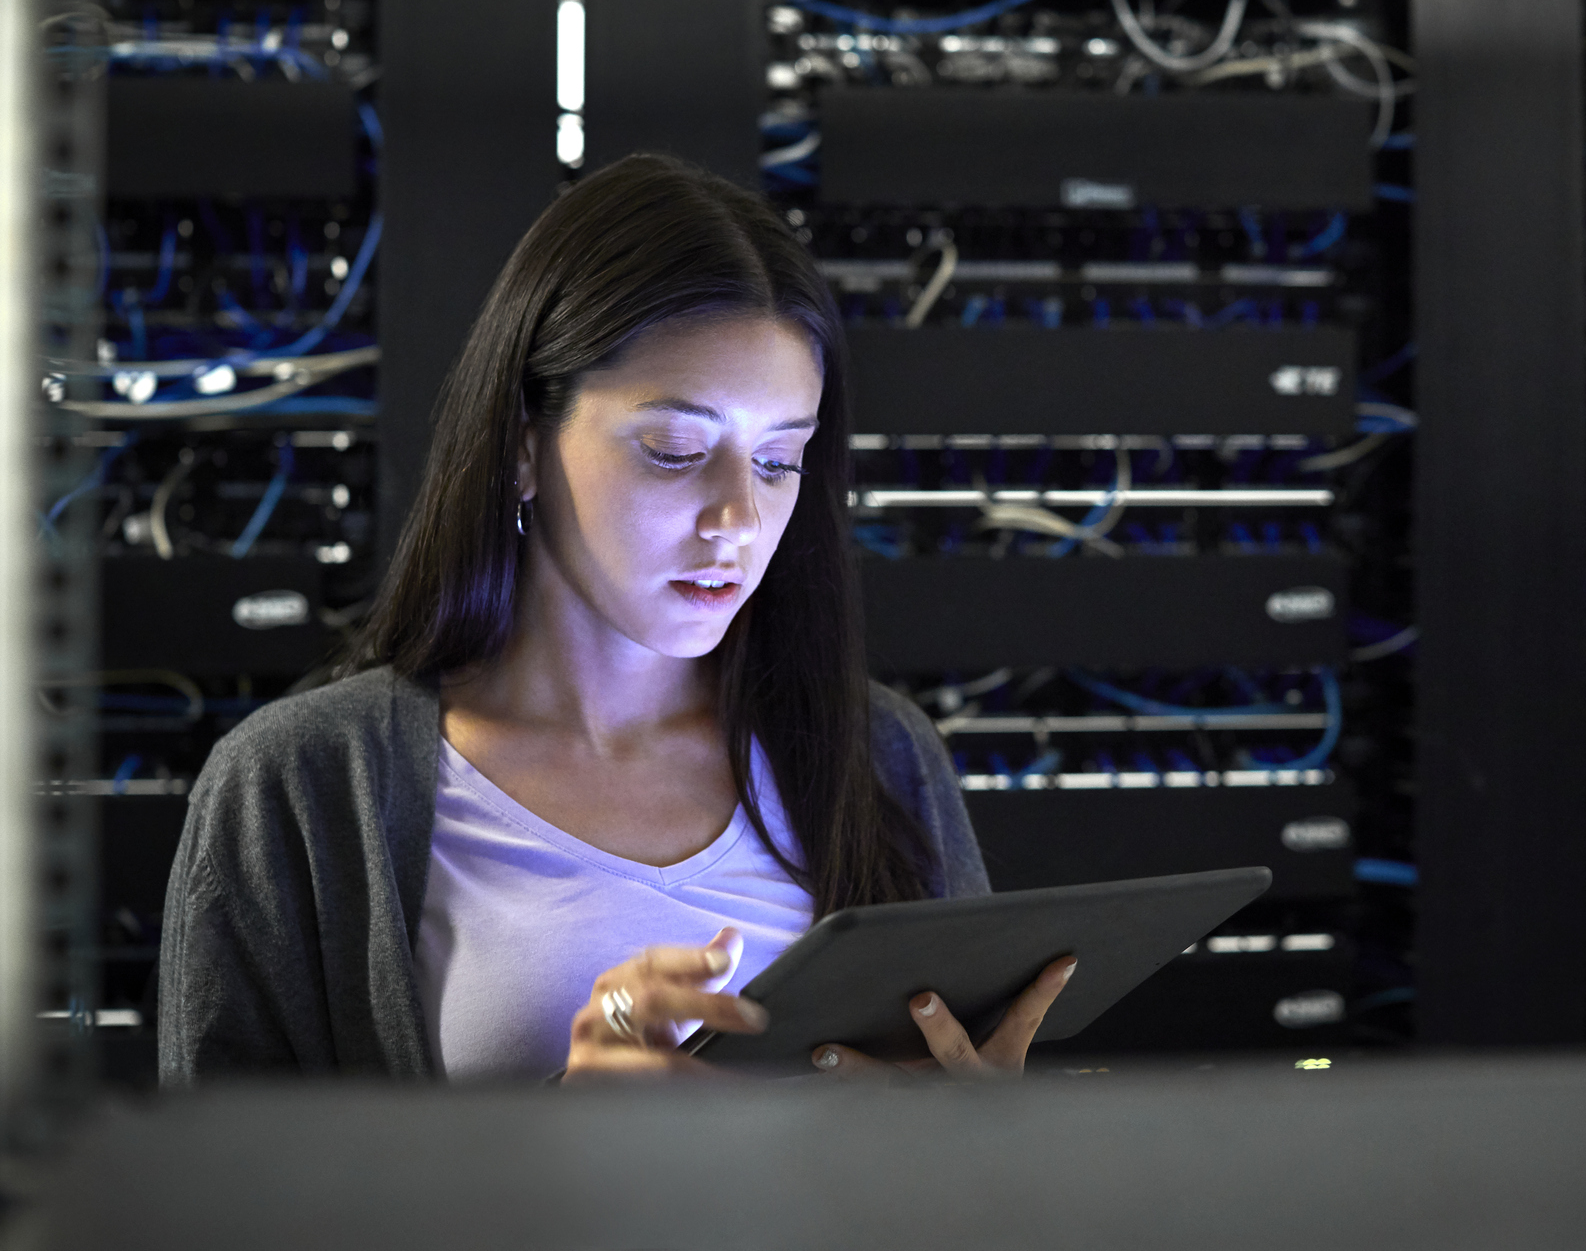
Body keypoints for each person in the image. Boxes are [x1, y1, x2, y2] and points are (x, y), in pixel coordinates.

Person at [158, 154, 1075, 1083]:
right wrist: (558, 1156)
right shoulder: (301, 786)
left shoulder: (882, 754)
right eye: (676, 450)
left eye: (777, 461)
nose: (738, 520)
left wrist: (978, 1143)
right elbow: (207, 1209)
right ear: (521, 447)